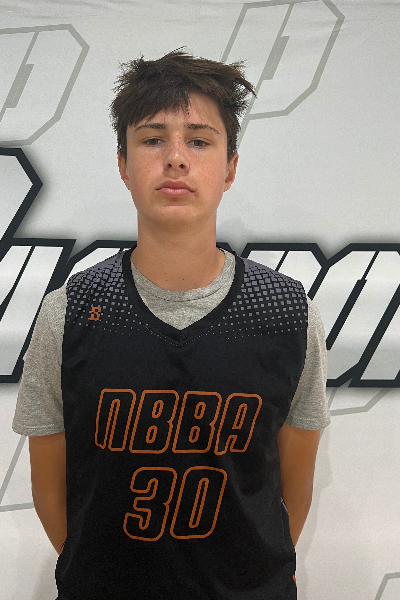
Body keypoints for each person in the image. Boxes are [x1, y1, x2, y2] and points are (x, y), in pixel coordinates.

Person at [12, 49, 331, 600]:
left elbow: (291, 490)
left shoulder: (286, 312)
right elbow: (51, 491)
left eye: (200, 141)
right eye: (153, 139)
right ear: (123, 163)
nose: (176, 158)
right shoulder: (71, 311)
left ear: (231, 167)